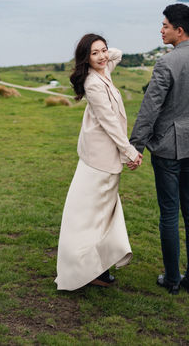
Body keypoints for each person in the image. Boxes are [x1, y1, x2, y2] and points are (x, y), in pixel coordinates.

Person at [129, 3, 189, 295]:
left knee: (169, 214)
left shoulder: (166, 63)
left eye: (165, 25)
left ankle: (171, 279)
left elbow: (150, 108)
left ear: (179, 30)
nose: (161, 30)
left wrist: (136, 146)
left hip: (168, 150)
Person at [55, 33, 142, 290]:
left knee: (100, 218)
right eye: (95, 53)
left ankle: (96, 268)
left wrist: (99, 55)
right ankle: (85, 270)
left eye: (103, 50)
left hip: (103, 160)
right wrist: (130, 151)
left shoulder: (103, 71)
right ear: (86, 59)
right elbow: (109, 122)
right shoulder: (93, 83)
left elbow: (118, 53)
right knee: (93, 219)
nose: (103, 56)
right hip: (99, 163)